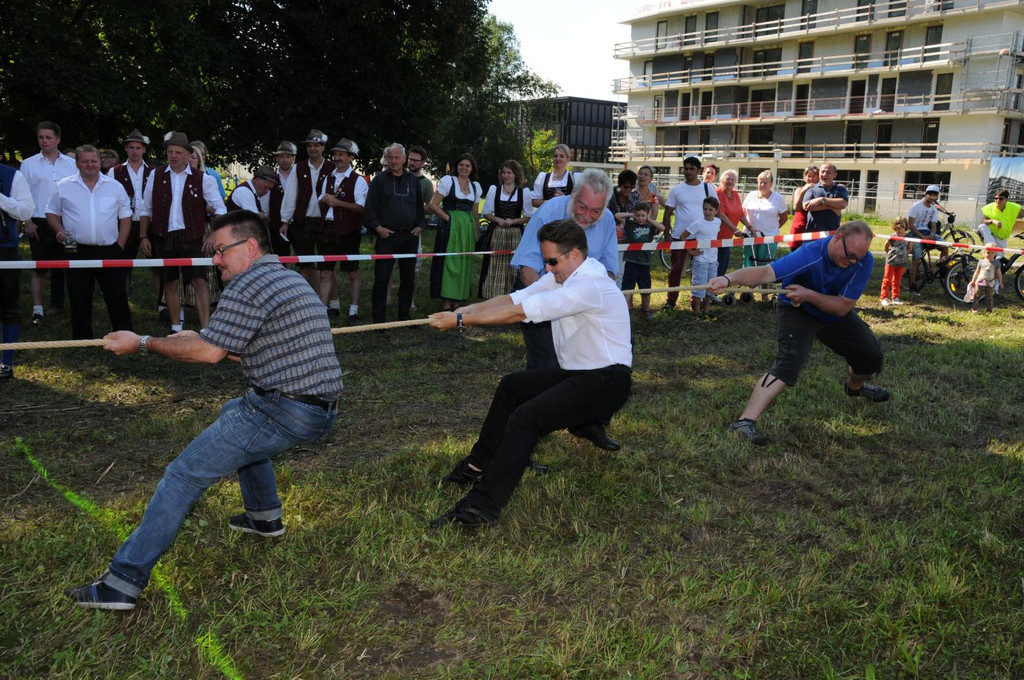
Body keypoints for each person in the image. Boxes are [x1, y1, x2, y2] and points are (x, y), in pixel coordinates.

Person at [65, 210, 343, 611]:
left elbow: (210, 353)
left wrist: (143, 342)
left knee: (181, 476)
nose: (214, 259)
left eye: (220, 250)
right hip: (320, 410)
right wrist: (200, 339)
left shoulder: (249, 284)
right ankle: (263, 516)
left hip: (284, 409)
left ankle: (120, 585)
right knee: (235, 410)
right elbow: (240, 344)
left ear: (249, 247)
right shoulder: (286, 277)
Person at [427, 220, 632, 528]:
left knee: (527, 418)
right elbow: (514, 299)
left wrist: (460, 323)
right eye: (545, 261)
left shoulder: (588, 285)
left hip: (607, 381)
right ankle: (478, 465)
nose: (547, 268)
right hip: (579, 374)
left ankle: (481, 509)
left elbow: (520, 314)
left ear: (574, 254)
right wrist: (466, 311)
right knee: (513, 387)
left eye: (552, 261)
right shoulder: (563, 276)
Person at [708, 220, 888, 446]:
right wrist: (727, 279)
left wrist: (809, 294)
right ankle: (744, 422)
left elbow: (843, 306)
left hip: (832, 311)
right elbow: (765, 273)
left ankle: (855, 388)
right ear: (837, 238)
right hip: (797, 310)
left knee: (872, 357)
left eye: (857, 258)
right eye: (849, 255)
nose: (852, 262)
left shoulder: (864, 262)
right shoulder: (811, 253)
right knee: (788, 363)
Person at [510, 168, 621, 452]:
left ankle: (588, 422)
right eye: (582, 207)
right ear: (573, 195)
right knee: (544, 365)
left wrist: (592, 308)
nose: (586, 216)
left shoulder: (606, 220)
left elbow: (608, 270)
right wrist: (548, 306)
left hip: (581, 302)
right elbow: (527, 266)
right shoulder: (550, 211)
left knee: (604, 364)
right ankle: (524, 437)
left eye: (595, 211)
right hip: (541, 292)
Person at [139, 131, 227, 333]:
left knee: (199, 280)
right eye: (170, 152)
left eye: (178, 152)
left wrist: (214, 234)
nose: (174, 156)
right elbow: (146, 208)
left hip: (192, 236)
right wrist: (144, 236)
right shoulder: (156, 175)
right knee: (169, 282)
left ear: (188, 154)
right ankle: (175, 327)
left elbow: (220, 208)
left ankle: (206, 328)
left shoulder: (203, 179)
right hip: (163, 236)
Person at [45, 145, 133, 340]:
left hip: (110, 248)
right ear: (77, 163)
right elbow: (51, 213)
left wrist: (120, 245)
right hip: (75, 248)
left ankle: (126, 335)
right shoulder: (63, 185)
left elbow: (126, 217)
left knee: (117, 294)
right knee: (78, 296)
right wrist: (60, 231)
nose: (90, 165)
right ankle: (82, 338)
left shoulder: (114, 186)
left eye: (93, 161)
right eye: (85, 161)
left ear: (100, 162)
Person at [20, 121, 77, 326]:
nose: (44, 141)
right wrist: (27, 222)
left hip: (67, 222)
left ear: (58, 139)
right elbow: (22, 195)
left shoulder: (72, 164)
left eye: (48, 137)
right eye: (40, 137)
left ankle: (68, 306)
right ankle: (38, 310)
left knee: (70, 265)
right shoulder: (28, 164)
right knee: (40, 267)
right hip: (39, 222)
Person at [364, 143, 427, 323]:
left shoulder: (414, 181)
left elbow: (419, 209)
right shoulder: (379, 180)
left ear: (404, 159)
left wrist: (420, 227)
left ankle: (404, 317)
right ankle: (378, 321)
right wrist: (378, 228)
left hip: (409, 237)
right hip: (387, 237)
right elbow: (369, 209)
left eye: (396, 157)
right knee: (382, 279)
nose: (393, 161)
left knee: (408, 279)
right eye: (390, 157)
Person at [318, 138, 367, 324]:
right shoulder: (328, 177)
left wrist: (338, 203)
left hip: (349, 231)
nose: (337, 158)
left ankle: (353, 311)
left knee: (352, 272)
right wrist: (324, 202)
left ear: (350, 157)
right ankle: (325, 310)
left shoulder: (358, 180)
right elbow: (322, 200)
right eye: (335, 154)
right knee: (325, 271)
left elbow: (361, 207)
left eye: (341, 154)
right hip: (328, 228)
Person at [662, 156, 718, 310]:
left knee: (701, 270)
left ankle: (697, 302)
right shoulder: (677, 190)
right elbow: (667, 214)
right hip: (680, 236)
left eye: (692, 168)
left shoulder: (709, 188)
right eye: (686, 168)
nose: (688, 171)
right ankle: (671, 301)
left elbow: (717, 212)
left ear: (699, 170)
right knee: (676, 269)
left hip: (702, 238)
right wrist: (667, 234)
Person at [429, 153, 482, 310]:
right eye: (461, 165)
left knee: (464, 262)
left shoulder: (475, 187)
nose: (464, 168)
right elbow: (433, 204)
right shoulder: (448, 182)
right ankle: (447, 301)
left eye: (467, 165)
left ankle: (459, 299)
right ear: (456, 167)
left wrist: (476, 233)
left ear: (472, 169)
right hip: (450, 228)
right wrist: (448, 218)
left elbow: (475, 213)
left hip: (467, 229)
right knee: (449, 262)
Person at [108, 129, 157, 300]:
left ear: (144, 149)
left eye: (138, 148)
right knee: (123, 265)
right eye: (131, 147)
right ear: (126, 149)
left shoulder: (154, 171)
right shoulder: (115, 172)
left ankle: (162, 304)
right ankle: (122, 299)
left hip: (149, 223)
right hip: (125, 222)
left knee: (157, 266)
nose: (135, 151)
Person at [281, 129, 332, 290]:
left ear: (323, 147)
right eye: (310, 145)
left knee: (327, 266)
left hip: (325, 221)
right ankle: (306, 296)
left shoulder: (332, 167)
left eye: (316, 145)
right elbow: (290, 194)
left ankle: (333, 301)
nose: (313, 149)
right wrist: (285, 220)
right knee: (304, 264)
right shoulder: (299, 168)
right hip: (304, 220)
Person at [0, 160, 35, 381]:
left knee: (8, 308)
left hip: (4, 250)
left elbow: (25, 211)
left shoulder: (12, 176)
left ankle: (6, 362)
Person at [479, 160, 534, 299]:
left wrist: (514, 221)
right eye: (503, 172)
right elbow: (486, 213)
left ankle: (511, 298)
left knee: (513, 267)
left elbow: (529, 216)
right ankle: (492, 296)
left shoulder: (523, 193)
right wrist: (498, 220)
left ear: (516, 174)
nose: (506, 175)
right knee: (494, 265)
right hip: (497, 233)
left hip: (515, 234)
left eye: (509, 173)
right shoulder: (495, 190)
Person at [677, 196, 722, 319]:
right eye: (705, 209)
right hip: (700, 261)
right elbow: (683, 236)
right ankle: (697, 312)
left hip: (713, 259)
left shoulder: (718, 222)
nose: (707, 212)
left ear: (716, 211)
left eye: (710, 210)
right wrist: (691, 252)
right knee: (699, 287)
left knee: (711, 287)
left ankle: (706, 310)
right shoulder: (698, 223)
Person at [620, 201, 662, 318]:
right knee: (628, 287)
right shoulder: (630, 224)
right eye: (638, 215)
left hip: (645, 262)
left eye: (642, 215)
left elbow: (662, 228)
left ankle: (646, 309)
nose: (640, 218)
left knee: (645, 287)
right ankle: (623, 310)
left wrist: (649, 219)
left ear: (647, 215)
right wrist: (631, 215)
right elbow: (617, 216)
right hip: (631, 261)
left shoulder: (650, 226)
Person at [741, 170, 788, 268]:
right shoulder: (751, 195)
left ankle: (765, 284)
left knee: (765, 265)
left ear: (771, 184)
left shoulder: (778, 198)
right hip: (750, 235)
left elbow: (784, 217)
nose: (762, 185)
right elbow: (743, 212)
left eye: (765, 182)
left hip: (769, 237)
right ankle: (751, 283)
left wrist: (773, 227)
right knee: (749, 263)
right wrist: (750, 227)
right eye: (760, 182)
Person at [907, 185, 947, 291]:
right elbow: (910, 225)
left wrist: (932, 235)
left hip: (927, 232)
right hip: (915, 233)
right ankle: (912, 284)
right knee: (917, 258)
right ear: (926, 194)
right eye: (930, 194)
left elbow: (934, 226)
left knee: (945, 245)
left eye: (935, 195)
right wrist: (923, 237)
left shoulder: (934, 209)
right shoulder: (916, 206)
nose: (932, 197)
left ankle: (942, 266)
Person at [262, 141, 297, 258]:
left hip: (298, 223)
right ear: (277, 158)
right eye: (281, 157)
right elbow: (265, 200)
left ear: (293, 158)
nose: (285, 160)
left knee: (306, 261)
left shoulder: (300, 176)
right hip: (276, 223)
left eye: (288, 156)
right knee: (280, 259)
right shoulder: (271, 177)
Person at [715, 169, 752, 277]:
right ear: (722, 180)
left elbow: (740, 214)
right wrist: (735, 229)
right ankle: (710, 290)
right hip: (717, 235)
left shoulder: (735, 193)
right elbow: (721, 214)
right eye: (727, 179)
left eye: (732, 179)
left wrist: (751, 228)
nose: (730, 181)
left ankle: (715, 290)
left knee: (723, 265)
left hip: (727, 236)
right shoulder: (718, 192)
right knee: (715, 265)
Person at [800, 161, 848, 232]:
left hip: (832, 235)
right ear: (819, 174)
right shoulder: (812, 189)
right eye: (822, 172)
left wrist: (821, 200)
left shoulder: (841, 189)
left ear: (835, 175)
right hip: (813, 235)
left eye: (828, 172)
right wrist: (832, 207)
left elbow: (843, 204)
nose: (824, 174)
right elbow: (806, 206)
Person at [532, 143, 579, 208]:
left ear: (567, 158)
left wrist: (565, 199)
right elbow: (534, 202)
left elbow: (581, 201)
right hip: (548, 216)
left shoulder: (575, 178)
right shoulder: (543, 177)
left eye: (561, 156)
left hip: (566, 217)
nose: (558, 158)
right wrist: (549, 202)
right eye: (555, 156)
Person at [979, 188, 1023, 253]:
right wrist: (993, 221)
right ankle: (992, 245)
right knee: (982, 226)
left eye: (1001, 198)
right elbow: (983, 221)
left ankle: (994, 249)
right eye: (996, 198)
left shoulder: (1014, 207)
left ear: (1007, 200)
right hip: (991, 236)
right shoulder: (989, 207)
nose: (998, 200)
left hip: (1002, 238)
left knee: (999, 260)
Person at [879, 217, 910, 308]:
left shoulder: (908, 238)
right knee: (887, 279)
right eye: (898, 227)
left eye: (902, 227)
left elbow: (909, 248)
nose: (900, 230)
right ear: (895, 227)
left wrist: (904, 254)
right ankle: (884, 297)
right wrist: (890, 254)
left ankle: (895, 297)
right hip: (891, 261)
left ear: (905, 227)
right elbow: (886, 247)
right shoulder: (892, 236)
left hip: (902, 262)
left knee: (897, 280)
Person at [788, 166, 819, 251]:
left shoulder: (820, 190)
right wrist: (803, 192)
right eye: (809, 176)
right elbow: (796, 208)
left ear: (818, 177)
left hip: (814, 228)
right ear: (804, 178)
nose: (811, 179)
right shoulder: (799, 190)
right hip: (800, 227)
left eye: (814, 176)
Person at [969, 244, 1002, 314]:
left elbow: (999, 273)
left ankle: (989, 310)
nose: (989, 254)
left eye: (992, 253)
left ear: (995, 253)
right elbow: (977, 272)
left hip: (991, 283)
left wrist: (1001, 282)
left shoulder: (996, 263)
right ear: (984, 252)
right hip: (980, 282)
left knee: (989, 297)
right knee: (976, 295)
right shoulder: (981, 262)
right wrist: (973, 281)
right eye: (988, 252)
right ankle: (974, 308)